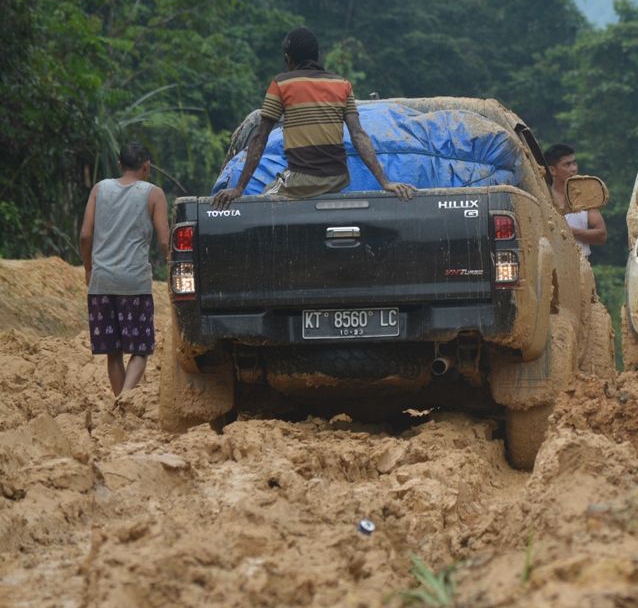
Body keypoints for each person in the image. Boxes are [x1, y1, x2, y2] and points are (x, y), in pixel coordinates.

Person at [212, 27, 413, 208]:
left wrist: (238, 189)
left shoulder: (281, 84)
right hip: (337, 178)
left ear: (288, 59)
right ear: (316, 56)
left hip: (302, 181)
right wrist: (385, 182)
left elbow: (260, 137)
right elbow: (358, 135)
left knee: (265, 199)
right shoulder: (341, 84)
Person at [79, 142, 170, 396]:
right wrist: (175, 269)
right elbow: (165, 241)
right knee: (141, 348)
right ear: (146, 166)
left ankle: (120, 400)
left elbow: (85, 235)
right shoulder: (154, 194)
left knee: (113, 350)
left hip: (102, 282)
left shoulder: (100, 189)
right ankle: (125, 399)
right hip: (134, 284)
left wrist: (89, 269)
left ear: (120, 165)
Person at [545, 143, 606, 259]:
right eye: (567, 165)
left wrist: (569, 231)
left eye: (574, 163)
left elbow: (601, 235)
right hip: (551, 265)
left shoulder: (585, 197)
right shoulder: (543, 197)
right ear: (552, 170)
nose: (573, 169)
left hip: (580, 265)